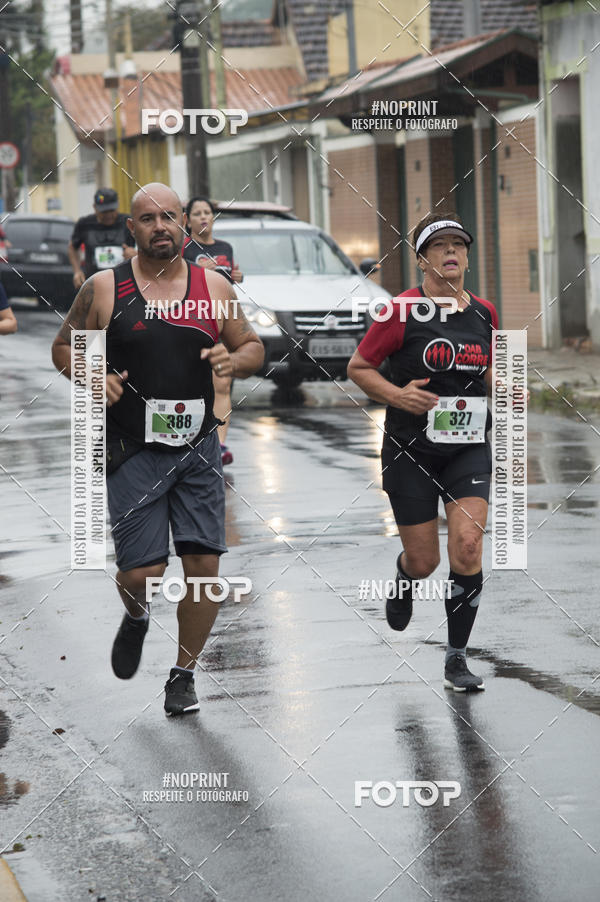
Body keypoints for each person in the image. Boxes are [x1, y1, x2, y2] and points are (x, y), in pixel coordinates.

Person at [52, 183, 264, 715]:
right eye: (148, 219)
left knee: (204, 568)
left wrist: (233, 362)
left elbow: (252, 346)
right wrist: (92, 373)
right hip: (131, 447)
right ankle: (137, 614)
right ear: (133, 229)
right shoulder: (104, 288)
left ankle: (183, 675)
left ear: (184, 223)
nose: (160, 226)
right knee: (140, 575)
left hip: (198, 447)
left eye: (169, 216)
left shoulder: (213, 286)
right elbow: (63, 347)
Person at [347, 213, 498, 692]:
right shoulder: (400, 311)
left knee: (468, 546)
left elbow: (490, 370)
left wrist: (510, 386)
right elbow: (359, 367)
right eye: (439, 245)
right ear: (421, 260)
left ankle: (456, 658)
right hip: (410, 449)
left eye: (459, 244)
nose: (451, 252)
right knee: (425, 560)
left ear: (467, 256)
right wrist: (398, 395)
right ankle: (404, 576)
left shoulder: (485, 312)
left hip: (467, 447)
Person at [183, 196, 243, 467]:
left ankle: (220, 444)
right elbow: (172, 280)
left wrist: (237, 277)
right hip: (192, 321)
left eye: (207, 212)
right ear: (188, 220)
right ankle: (192, 439)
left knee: (222, 382)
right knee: (192, 383)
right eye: (197, 213)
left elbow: (228, 281)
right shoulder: (183, 248)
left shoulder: (225, 247)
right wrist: (196, 270)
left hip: (222, 319)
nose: (204, 217)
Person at [68, 187, 136, 289]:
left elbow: (147, 246)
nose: (108, 215)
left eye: (111, 210)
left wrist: (136, 255)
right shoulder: (85, 224)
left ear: (117, 205)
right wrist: (77, 271)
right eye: (104, 211)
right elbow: (72, 247)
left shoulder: (128, 223)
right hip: (94, 284)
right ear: (95, 207)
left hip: (124, 283)